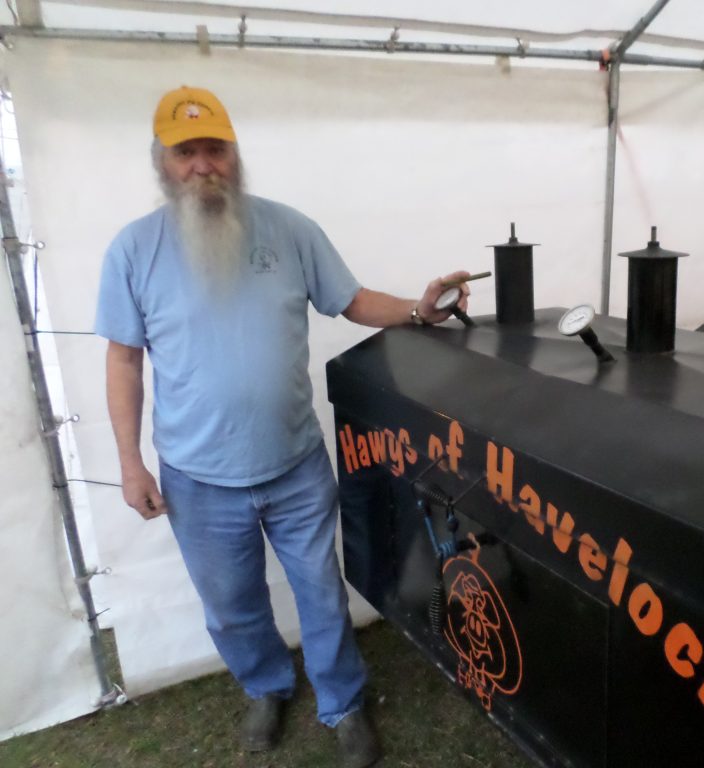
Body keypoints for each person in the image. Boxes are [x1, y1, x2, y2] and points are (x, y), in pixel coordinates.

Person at [95, 85, 469, 768]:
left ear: (234, 155)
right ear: (162, 161)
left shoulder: (290, 230)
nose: (203, 165)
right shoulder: (132, 252)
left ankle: (344, 703)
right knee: (232, 605)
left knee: (321, 590)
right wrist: (129, 463)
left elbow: (351, 301)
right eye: (186, 153)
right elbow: (122, 359)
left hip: (295, 465)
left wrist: (419, 311)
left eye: (215, 149)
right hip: (197, 478)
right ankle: (266, 685)